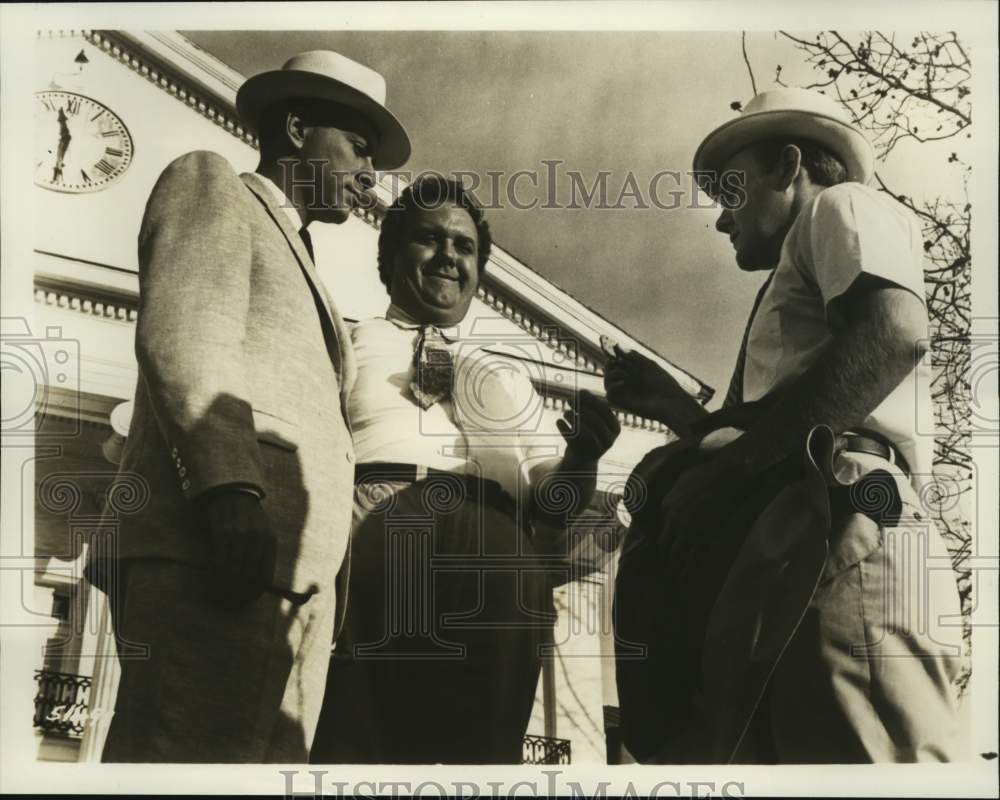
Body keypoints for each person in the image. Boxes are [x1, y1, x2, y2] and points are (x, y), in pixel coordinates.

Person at [607, 87, 963, 762]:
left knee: (868, 757)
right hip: (796, 523)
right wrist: (681, 415)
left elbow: (894, 332)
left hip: (845, 509)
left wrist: (731, 479)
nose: (721, 219)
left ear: (787, 166)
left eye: (730, 191)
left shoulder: (840, 205)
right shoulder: (789, 283)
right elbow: (764, 430)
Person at [84, 50, 411, 762]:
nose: (368, 176)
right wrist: (228, 488)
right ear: (297, 128)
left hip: (289, 578)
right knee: (186, 759)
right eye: (358, 148)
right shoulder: (215, 186)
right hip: (221, 547)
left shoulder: (307, 257)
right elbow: (185, 342)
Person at [310, 175, 621, 764]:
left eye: (465, 247)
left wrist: (584, 456)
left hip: (495, 546)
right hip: (380, 525)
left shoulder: (507, 378)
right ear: (391, 254)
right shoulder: (346, 342)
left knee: (482, 745)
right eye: (429, 239)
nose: (449, 256)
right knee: (359, 732)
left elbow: (553, 503)